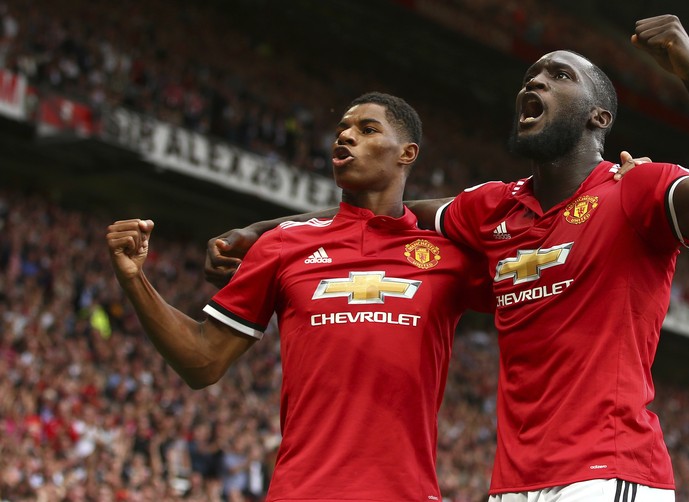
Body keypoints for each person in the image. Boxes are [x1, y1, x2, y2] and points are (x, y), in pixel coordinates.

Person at [205, 16, 689, 501]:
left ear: (599, 117)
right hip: (513, 482)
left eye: (559, 76)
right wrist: (262, 230)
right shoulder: (491, 208)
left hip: (607, 470)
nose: (536, 81)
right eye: (530, 76)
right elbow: (381, 213)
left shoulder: (633, 188)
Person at [107, 92, 500, 501]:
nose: (346, 136)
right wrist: (136, 280)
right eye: (342, 129)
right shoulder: (282, 245)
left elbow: (535, 290)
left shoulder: (449, 255)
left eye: (367, 130)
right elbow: (203, 361)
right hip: (302, 491)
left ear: (407, 153)